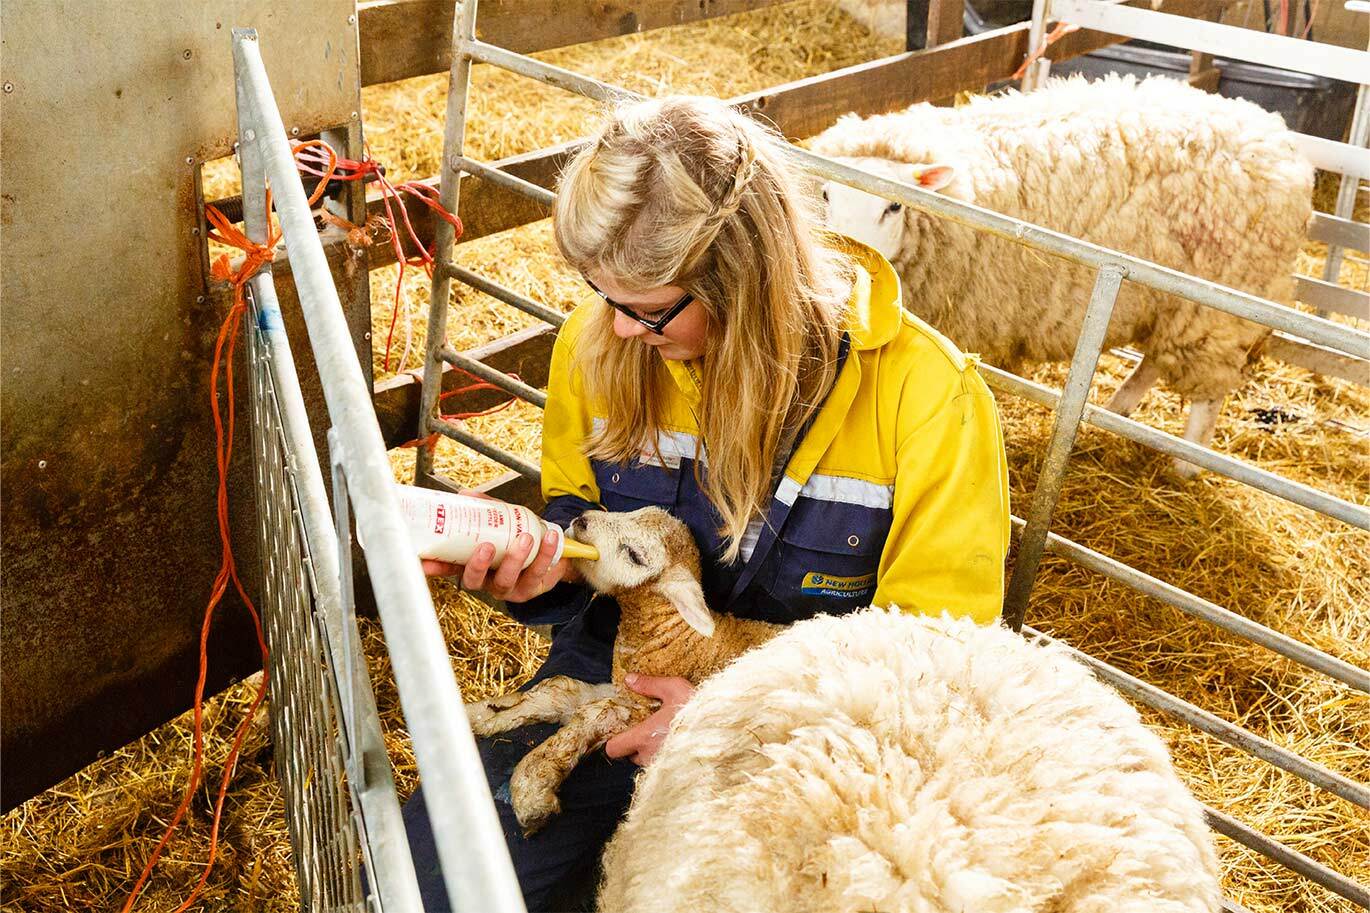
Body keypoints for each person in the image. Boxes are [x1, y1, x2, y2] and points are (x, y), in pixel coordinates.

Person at [402, 94, 1010, 911]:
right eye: (602, 296)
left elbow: (932, 667)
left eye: (648, 309)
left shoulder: (929, 399)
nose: (615, 330)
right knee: (426, 888)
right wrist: (541, 576)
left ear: (743, 278)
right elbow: (580, 526)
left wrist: (729, 722)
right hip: (618, 676)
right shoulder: (597, 346)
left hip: (813, 740)